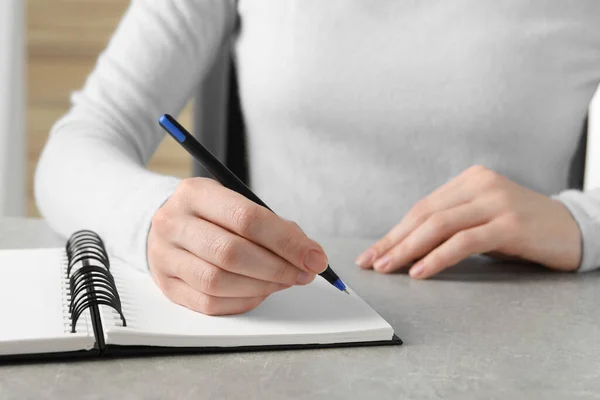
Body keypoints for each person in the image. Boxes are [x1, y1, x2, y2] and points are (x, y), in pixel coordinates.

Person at [34, 1, 600, 316]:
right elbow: (74, 147)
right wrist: (152, 219)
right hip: (291, 325)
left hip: (517, 344)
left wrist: (582, 222)